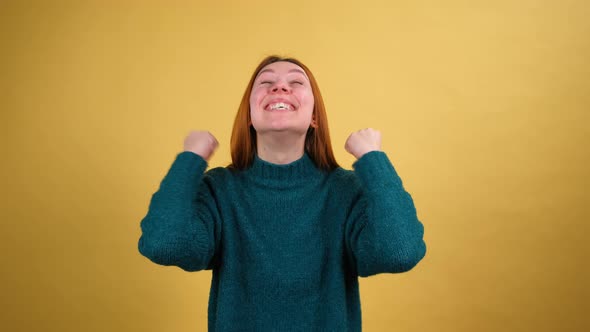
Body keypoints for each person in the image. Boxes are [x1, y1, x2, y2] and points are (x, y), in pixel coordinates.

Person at [138, 55, 427, 331]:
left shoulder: (345, 191)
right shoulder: (220, 190)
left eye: (297, 82)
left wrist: (372, 158)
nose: (279, 86)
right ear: (249, 116)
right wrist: (191, 158)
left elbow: (399, 252)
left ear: (314, 117)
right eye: (265, 82)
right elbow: (164, 244)